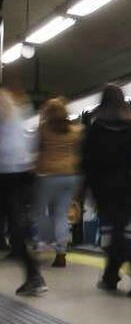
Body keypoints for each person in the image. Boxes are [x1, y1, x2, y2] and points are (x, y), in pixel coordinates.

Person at [81, 84, 131, 297]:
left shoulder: (95, 129)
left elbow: (87, 163)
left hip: (106, 190)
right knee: (117, 233)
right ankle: (110, 277)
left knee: (117, 235)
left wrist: (88, 191)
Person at [0, 87, 46, 296]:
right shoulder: (19, 114)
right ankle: (34, 276)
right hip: (21, 175)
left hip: (8, 176)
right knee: (17, 230)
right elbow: (31, 144)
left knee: (16, 230)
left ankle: (34, 275)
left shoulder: (8, 116)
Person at [32, 97, 83, 268]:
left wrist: (41, 117)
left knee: (40, 212)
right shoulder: (73, 130)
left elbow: (35, 150)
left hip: (47, 175)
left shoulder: (44, 130)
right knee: (61, 214)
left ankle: (40, 245)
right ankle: (61, 252)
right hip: (70, 175)